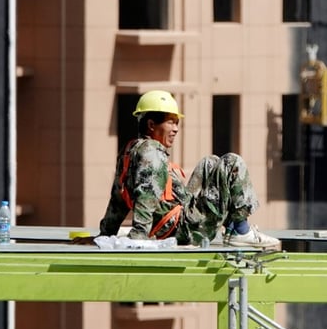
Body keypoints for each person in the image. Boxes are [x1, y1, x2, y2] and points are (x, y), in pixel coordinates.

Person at [94, 90, 280, 250]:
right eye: (170, 122)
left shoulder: (130, 150)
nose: (175, 129)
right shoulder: (152, 152)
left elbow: (118, 198)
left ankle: (232, 226)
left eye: (177, 123)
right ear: (151, 125)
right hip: (184, 229)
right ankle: (241, 231)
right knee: (232, 163)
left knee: (210, 163)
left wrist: (104, 235)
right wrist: (139, 236)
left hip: (180, 217)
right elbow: (146, 195)